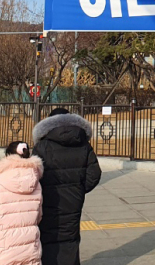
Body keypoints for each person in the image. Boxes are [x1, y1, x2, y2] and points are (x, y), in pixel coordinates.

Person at [32, 108, 102, 265]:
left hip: (48, 200)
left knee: (48, 236)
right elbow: (94, 174)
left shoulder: (42, 146)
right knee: (70, 237)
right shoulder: (83, 144)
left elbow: (33, 175)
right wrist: (79, 189)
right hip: (74, 200)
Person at [0, 142, 43, 265]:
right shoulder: (36, 184)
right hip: (29, 249)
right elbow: (38, 216)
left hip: (2, 250)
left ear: (7, 156)